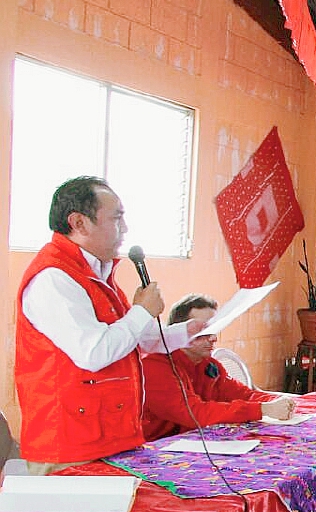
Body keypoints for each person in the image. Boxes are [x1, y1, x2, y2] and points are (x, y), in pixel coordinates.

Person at [15, 176, 200, 475]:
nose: (124, 229)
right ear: (79, 223)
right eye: (116, 218)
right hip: (72, 444)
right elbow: (95, 352)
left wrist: (187, 332)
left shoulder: (96, 274)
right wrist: (141, 311)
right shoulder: (53, 277)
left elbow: (131, 340)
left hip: (112, 436)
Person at [141, 294, 297, 440]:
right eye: (203, 331)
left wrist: (278, 401)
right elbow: (196, 413)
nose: (213, 338)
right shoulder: (155, 366)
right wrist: (262, 409)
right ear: (179, 331)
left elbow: (242, 394)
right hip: (149, 451)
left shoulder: (208, 364)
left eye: (214, 329)